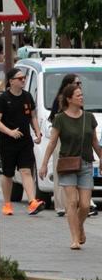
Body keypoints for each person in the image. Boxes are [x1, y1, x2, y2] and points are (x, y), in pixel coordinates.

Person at [40, 84, 102, 250]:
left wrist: (101, 158)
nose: (81, 97)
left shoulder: (89, 117)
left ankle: (79, 226)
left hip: (86, 164)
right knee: (72, 201)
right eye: (78, 95)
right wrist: (44, 164)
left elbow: (94, 142)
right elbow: (52, 142)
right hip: (67, 164)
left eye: (82, 95)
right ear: (69, 99)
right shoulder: (60, 118)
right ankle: (75, 238)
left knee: (85, 205)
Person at [0, 68, 45, 216]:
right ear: (11, 81)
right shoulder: (3, 99)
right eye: (20, 78)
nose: (23, 80)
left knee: (26, 170)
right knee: (8, 173)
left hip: (25, 141)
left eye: (24, 78)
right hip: (7, 142)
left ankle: (32, 202)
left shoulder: (27, 96)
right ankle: (7, 203)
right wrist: (10, 132)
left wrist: (37, 132)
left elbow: (33, 117)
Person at [49, 74, 81, 217]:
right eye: (76, 83)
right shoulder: (60, 99)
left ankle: (78, 203)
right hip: (61, 136)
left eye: (80, 83)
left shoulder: (79, 100)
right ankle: (60, 205)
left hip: (76, 138)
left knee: (78, 170)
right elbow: (53, 117)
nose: (79, 85)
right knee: (60, 168)